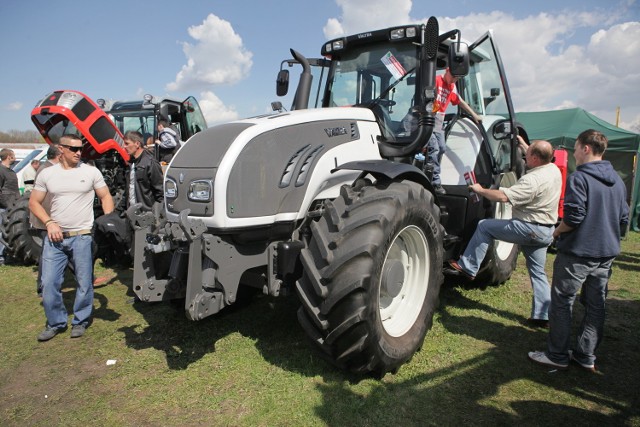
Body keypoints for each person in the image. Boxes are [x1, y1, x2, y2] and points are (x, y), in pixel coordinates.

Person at [528, 129, 629, 371]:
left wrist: (557, 231)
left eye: (575, 148)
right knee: (596, 306)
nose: (573, 153)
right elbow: (623, 218)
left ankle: (557, 355)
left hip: (578, 253)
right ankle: (586, 356)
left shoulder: (579, 178)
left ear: (585, 148)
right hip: (606, 253)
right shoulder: (617, 180)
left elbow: (574, 217)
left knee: (562, 303)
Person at [447, 137, 562, 326]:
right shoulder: (552, 169)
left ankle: (468, 266)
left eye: (528, 153)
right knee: (538, 273)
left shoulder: (532, 180)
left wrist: (480, 189)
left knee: (485, 226)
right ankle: (542, 316)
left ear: (534, 158)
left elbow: (502, 196)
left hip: (529, 229)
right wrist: (523, 143)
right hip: (545, 231)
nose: (525, 156)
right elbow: (540, 155)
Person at [29, 135, 114, 341]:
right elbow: (33, 202)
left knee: (84, 282)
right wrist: (49, 223)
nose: (78, 153)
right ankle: (56, 322)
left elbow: (105, 196)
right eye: (73, 149)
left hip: (82, 237)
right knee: (49, 283)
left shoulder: (90, 172)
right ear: (61, 149)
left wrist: (107, 222)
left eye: (80, 149)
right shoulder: (47, 174)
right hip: (55, 238)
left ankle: (80, 321)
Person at [94, 131, 164, 266]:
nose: (124, 147)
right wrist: (118, 210)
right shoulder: (131, 164)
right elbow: (129, 190)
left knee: (146, 250)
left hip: (146, 215)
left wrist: (155, 217)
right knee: (130, 245)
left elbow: (160, 193)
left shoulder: (150, 163)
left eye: (127, 144)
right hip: (131, 214)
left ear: (137, 144)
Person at [427, 67, 482, 195]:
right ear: (447, 71)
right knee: (434, 148)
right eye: (453, 77)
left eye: (457, 79)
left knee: (441, 148)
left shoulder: (452, 87)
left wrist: (474, 115)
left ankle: (431, 173)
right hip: (429, 119)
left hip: (438, 122)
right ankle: (434, 181)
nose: (454, 80)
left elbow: (460, 101)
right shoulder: (435, 81)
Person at [30, 144, 62, 296]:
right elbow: (47, 200)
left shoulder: (44, 167)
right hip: (47, 219)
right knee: (48, 253)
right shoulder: (48, 170)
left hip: (46, 219)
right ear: (58, 156)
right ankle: (43, 286)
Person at [0, 148, 20, 265]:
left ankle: (8, 255)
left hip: (12, 206)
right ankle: (1, 257)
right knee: (1, 232)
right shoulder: (1, 171)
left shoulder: (10, 171)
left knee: (8, 232)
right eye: (13, 155)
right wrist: (6, 204)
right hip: (3, 207)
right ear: (8, 157)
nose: (15, 157)